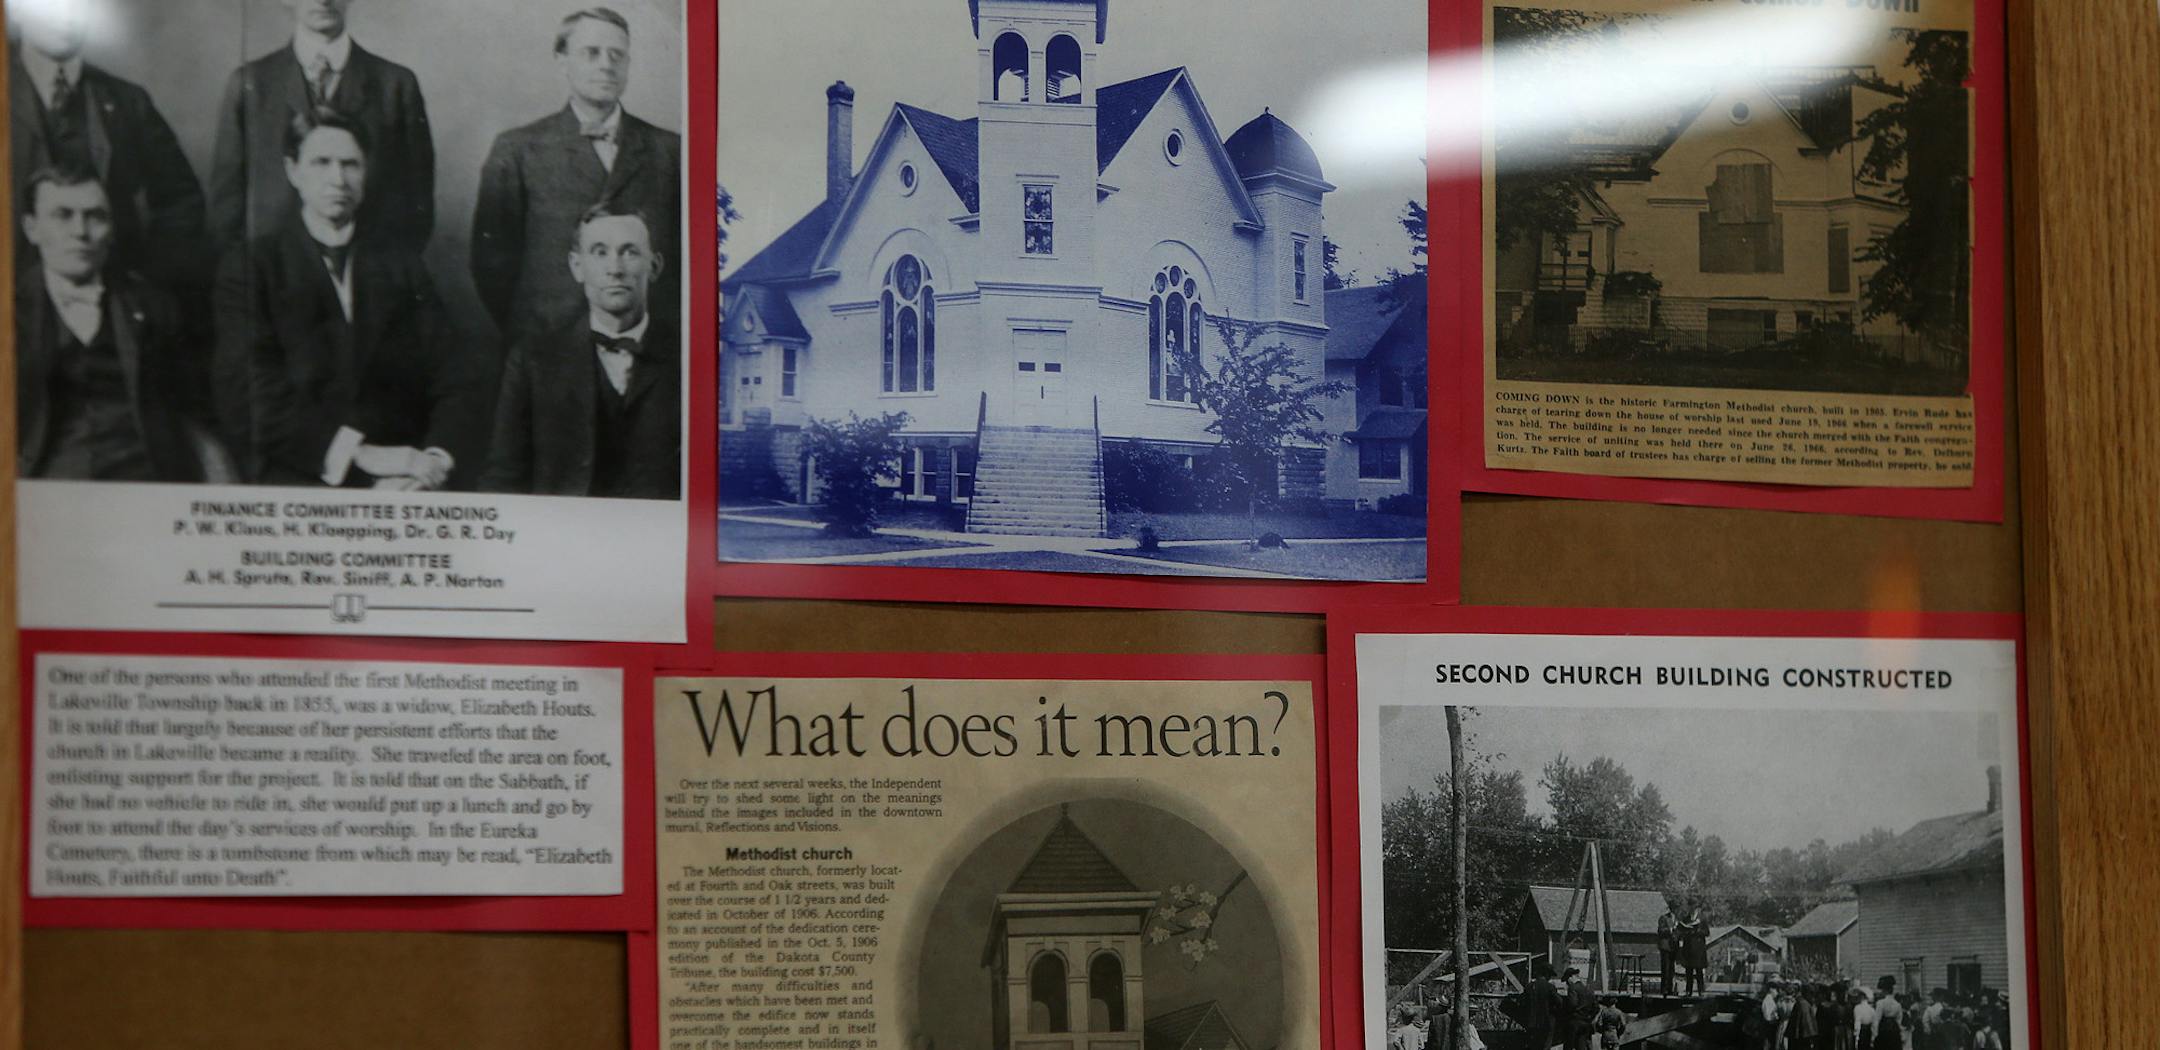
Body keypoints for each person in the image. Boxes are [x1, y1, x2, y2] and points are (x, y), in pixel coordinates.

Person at [216, 108, 487, 487]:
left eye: (351, 165)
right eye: (321, 163)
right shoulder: (252, 267)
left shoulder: (401, 265)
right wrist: (358, 456)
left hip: (405, 477)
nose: (338, 179)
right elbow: (247, 395)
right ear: (293, 171)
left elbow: (455, 375)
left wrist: (434, 462)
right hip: (300, 472)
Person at [471, 6, 682, 342]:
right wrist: (535, 333)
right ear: (562, 61)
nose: (606, 65)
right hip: (548, 347)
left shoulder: (670, 150)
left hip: (650, 347)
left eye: (617, 55)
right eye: (591, 53)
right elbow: (491, 264)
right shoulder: (518, 149)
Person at [16, 164, 220, 482]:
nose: (81, 232)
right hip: (45, 490)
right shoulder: (12, 310)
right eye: (62, 215)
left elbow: (194, 413)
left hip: (144, 481)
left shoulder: (154, 306)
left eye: (95, 216)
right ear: (32, 228)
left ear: (111, 230)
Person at [480, 202, 678, 498]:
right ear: (577, 267)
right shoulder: (533, 360)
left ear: (655, 266)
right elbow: (503, 479)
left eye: (630, 252)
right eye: (600, 252)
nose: (615, 269)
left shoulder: (688, 357)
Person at [210, 0, 434, 253]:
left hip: (370, 274)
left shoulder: (395, 85)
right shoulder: (250, 84)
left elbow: (418, 204)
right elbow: (227, 209)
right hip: (274, 275)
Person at [9, 4, 205, 292]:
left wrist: (146, 286)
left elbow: (181, 202)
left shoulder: (128, 102)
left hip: (111, 310)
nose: (66, 16)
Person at [1562, 968, 1598, 1050]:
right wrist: (1589, 1017)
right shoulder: (1588, 989)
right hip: (1585, 1022)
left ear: (1571, 977)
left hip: (1574, 1022)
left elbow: (1572, 1004)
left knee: (1568, 1046)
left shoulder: (1572, 988)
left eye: (1567, 980)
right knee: (1581, 1046)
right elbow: (1596, 1007)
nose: (1567, 983)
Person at [1678, 908, 1709, 996]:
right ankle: (1689, 991)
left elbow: (1707, 932)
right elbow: (1681, 931)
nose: (1692, 910)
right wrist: (1686, 930)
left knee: (1699, 971)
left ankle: (1701, 991)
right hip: (1688, 948)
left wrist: (1698, 931)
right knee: (1689, 972)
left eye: (1693, 908)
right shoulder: (1686, 919)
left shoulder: (1702, 919)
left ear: (1697, 909)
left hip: (1698, 949)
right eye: (1690, 907)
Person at [1656, 909, 1679, 996]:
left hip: (1673, 947)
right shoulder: (1663, 918)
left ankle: (1670, 989)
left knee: (1671, 969)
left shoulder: (1677, 919)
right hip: (1665, 947)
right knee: (1665, 968)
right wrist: (1670, 929)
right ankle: (1664, 989)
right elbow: (1660, 930)